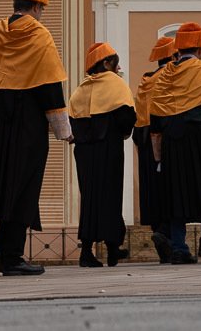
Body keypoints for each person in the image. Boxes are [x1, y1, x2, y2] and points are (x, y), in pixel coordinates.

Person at [0, 0, 72, 276]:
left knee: (4, 187)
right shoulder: (39, 36)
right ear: (37, 6)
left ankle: (4, 253)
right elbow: (50, 88)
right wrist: (64, 131)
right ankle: (10, 256)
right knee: (23, 189)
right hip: (26, 124)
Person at [148, 22, 201, 264]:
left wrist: (158, 157)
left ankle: (179, 249)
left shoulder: (164, 78)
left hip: (172, 145)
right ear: (200, 48)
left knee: (176, 196)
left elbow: (154, 122)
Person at [69, 43, 136, 268]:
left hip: (84, 152)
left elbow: (73, 123)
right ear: (107, 63)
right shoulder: (116, 85)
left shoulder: (80, 89)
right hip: (109, 148)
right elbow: (127, 118)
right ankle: (113, 250)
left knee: (89, 198)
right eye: (115, 64)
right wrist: (123, 132)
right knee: (111, 196)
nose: (118, 69)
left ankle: (86, 252)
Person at [134, 37, 176, 263]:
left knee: (151, 189)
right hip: (164, 135)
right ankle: (167, 234)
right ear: (173, 57)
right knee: (169, 189)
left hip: (144, 137)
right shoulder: (171, 77)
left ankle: (161, 240)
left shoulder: (146, 81)